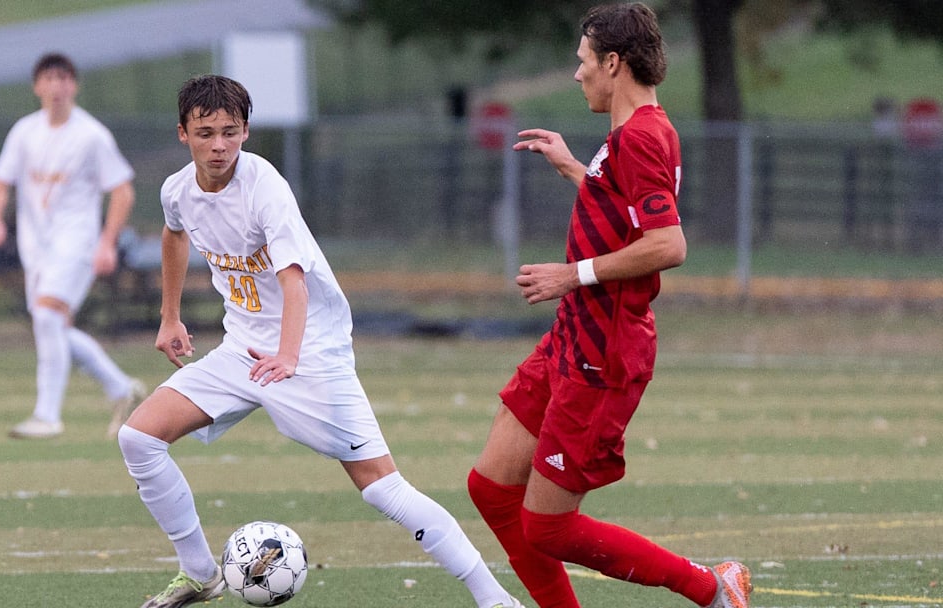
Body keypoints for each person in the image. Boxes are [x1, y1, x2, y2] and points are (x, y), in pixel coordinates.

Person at [116, 74, 525, 608]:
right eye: (206, 133)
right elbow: (174, 233)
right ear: (182, 134)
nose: (219, 145)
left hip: (310, 354)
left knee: (383, 487)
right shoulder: (178, 190)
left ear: (246, 132)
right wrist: (169, 316)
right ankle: (199, 573)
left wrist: (289, 356)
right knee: (139, 439)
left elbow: (294, 279)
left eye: (231, 132)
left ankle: (496, 600)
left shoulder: (265, 188)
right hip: (243, 351)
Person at [466, 4, 752, 608]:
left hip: (605, 350)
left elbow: (668, 244)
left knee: (549, 525)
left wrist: (573, 274)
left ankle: (711, 587)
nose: (577, 74)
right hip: (572, 337)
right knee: (491, 489)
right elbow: (624, 214)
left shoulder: (643, 136)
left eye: (583, 61)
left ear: (613, 62)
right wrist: (576, 168)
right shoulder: (631, 135)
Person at [0, 52, 146, 439]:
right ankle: (122, 388)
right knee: (52, 324)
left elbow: (122, 191)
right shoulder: (24, 131)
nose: (57, 86)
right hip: (35, 247)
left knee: (45, 318)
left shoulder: (91, 135)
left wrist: (107, 242)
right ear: (37, 86)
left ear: (74, 85)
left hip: (77, 243)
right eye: (49, 78)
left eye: (64, 78)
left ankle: (47, 415)